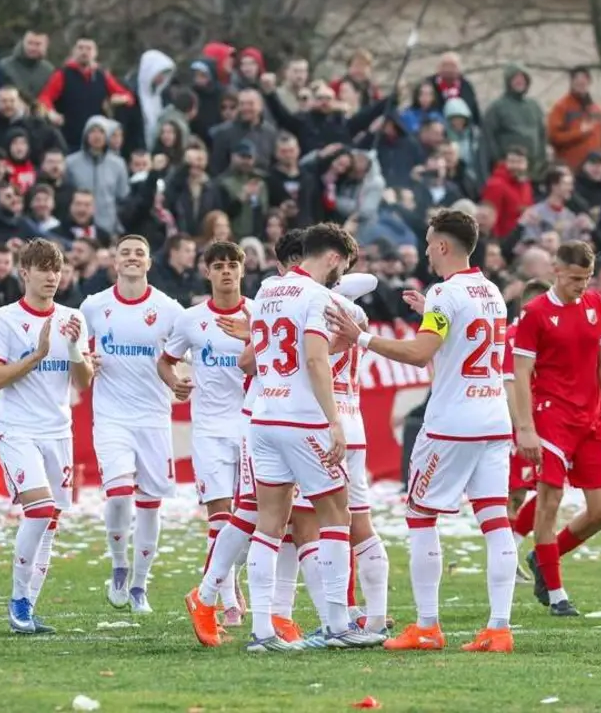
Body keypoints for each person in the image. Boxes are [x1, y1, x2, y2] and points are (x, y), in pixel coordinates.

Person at [327, 209, 525, 653]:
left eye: (428, 242)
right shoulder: (490, 290)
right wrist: (430, 311)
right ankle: (499, 627)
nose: (424, 251)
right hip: (494, 419)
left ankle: (428, 626)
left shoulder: (445, 293)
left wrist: (361, 337)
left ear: (441, 246)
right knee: (495, 520)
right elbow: (459, 337)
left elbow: (420, 353)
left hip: (452, 423)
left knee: (420, 516)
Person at [194, 223, 380, 651]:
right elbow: (314, 360)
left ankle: (263, 631)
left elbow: (266, 355)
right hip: (301, 419)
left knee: (270, 524)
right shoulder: (317, 296)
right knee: (337, 517)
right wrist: (334, 421)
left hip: (262, 417)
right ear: (333, 258)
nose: (340, 276)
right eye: (342, 266)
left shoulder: (269, 293)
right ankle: (337, 623)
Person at [0, 239, 94, 634]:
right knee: (40, 510)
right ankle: (16, 601)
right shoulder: (2, 319)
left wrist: (77, 349)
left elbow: (84, 382)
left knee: (51, 520)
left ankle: (28, 604)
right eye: (43, 268)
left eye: (56, 269)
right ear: (23, 272)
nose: (51, 276)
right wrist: (37, 355)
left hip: (57, 433)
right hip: (17, 431)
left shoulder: (73, 317)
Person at [511, 242, 601, 616]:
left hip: (590, 419)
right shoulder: (535, 314)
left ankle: (543, 558)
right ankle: (558, 596)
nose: (582, 285)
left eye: (587, 278)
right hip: (551, 418)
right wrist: (525, 428)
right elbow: (522, 374)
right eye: (576, 278)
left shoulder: (597, 306)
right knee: (550, 502)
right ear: (556, 271)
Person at [81, 235, 186, 615]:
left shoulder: (168, 308)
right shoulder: (94, 306)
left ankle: (140, 584)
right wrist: (87, 363)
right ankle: (119, 564)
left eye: (139, 253)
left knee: (149, 505)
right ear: (115, 261)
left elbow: (181, 354)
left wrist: (180, 382)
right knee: (120, 494)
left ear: (148, 262)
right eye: (125, 252)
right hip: (111, 416)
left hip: (154, 417)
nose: (132, 258)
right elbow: (79, 354)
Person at [157, 241, 251, 623]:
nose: (226, 271)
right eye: (219, 266)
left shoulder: (260, 315)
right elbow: (166, 361)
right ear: (207, 272)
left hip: (252, 427)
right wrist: (174, 381)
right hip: (209, 428)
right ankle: (226, 603)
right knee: (220, 516)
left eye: (232, 265)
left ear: (242, 270)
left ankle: (230, 581)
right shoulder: (191, 319)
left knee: (250, 520)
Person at [503, 278, 552, 584]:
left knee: (539, 490)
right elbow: (509, 385)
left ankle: (510, 552)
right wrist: (520, 429)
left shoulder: (538, 334)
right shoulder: (515, 335)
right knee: (515, 493)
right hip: (518, 425)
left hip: (538, 423)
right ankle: (507, 556)